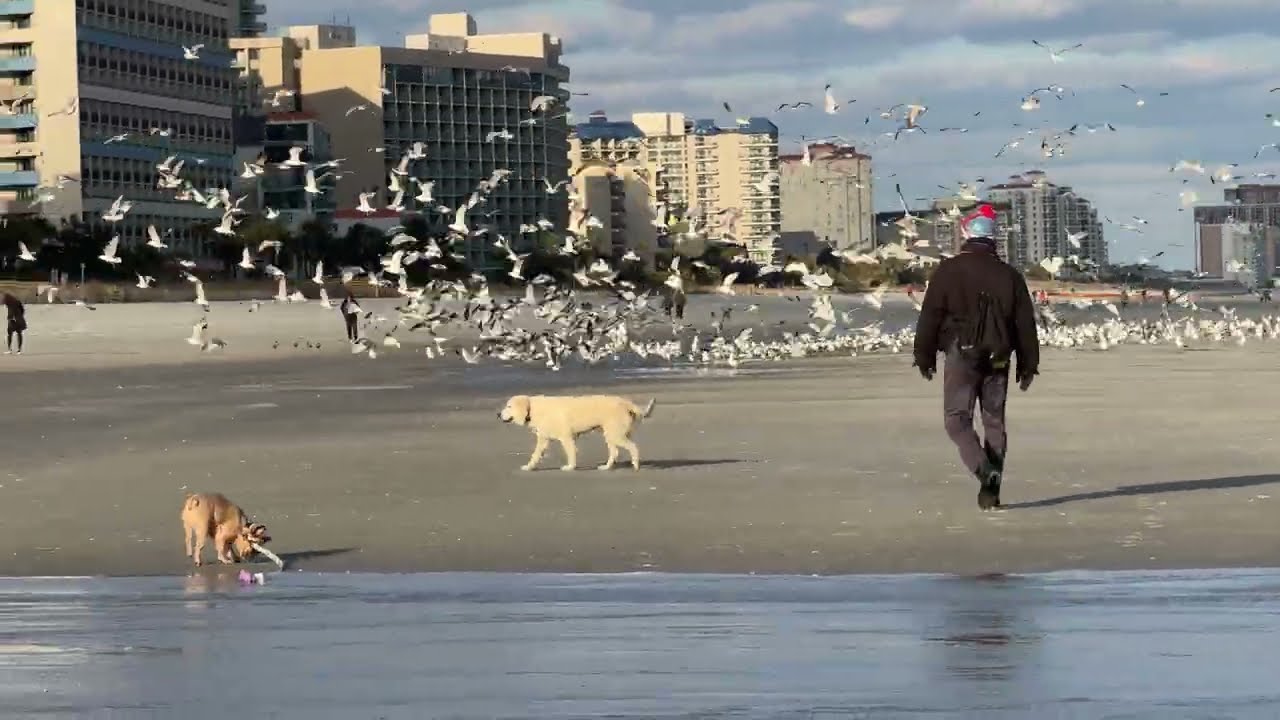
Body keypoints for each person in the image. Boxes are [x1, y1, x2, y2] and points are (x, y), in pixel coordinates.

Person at [912, 204, 1039, 510]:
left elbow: (930, 315)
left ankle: (985, 471)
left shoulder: (948, 270)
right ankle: (991, 494)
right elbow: (1024, 323)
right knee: (994, 422)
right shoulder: (1010, 275)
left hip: (962, 355)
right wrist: (1028, 363)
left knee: (957, 420)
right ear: (994, 238)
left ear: (967, 234)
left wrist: (924, 355)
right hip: (999, 356)